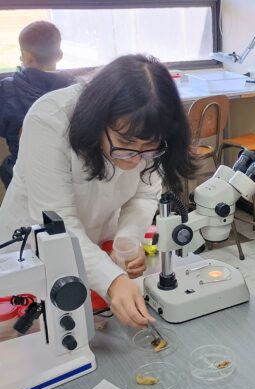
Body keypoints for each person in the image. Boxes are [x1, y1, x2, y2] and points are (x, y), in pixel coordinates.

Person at [0, 54, 196, 328]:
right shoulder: (50, 121)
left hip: (94, 246)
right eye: (125, 142)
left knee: (101, 335)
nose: (136, 157)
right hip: (30, 249)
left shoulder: (151, 135)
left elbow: (144, 193)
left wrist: (126, 241)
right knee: (39, 334)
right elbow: (59, 224)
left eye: (149, 146)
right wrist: (112, 281)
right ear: (98, 119)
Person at [0, 21, 75, 187]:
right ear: (60, 54)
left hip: (24, 177)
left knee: (8, 165)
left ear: (26, 57)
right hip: (68, 173)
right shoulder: (77, 88)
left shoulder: (6, 89)